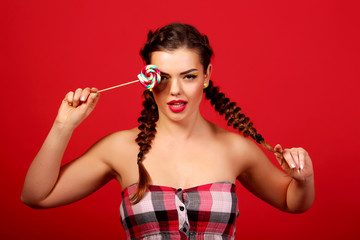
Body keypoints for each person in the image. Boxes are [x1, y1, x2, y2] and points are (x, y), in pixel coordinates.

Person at [21, 22, 315, 239]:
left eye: (189, 76)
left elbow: (292, 201)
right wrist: (62, 126)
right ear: (147, 79)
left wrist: (304, 178)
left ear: (207, 76)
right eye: (162, 77)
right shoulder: (119, 148)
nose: (175, 90)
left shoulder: (235, 148)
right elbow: (36, 196)